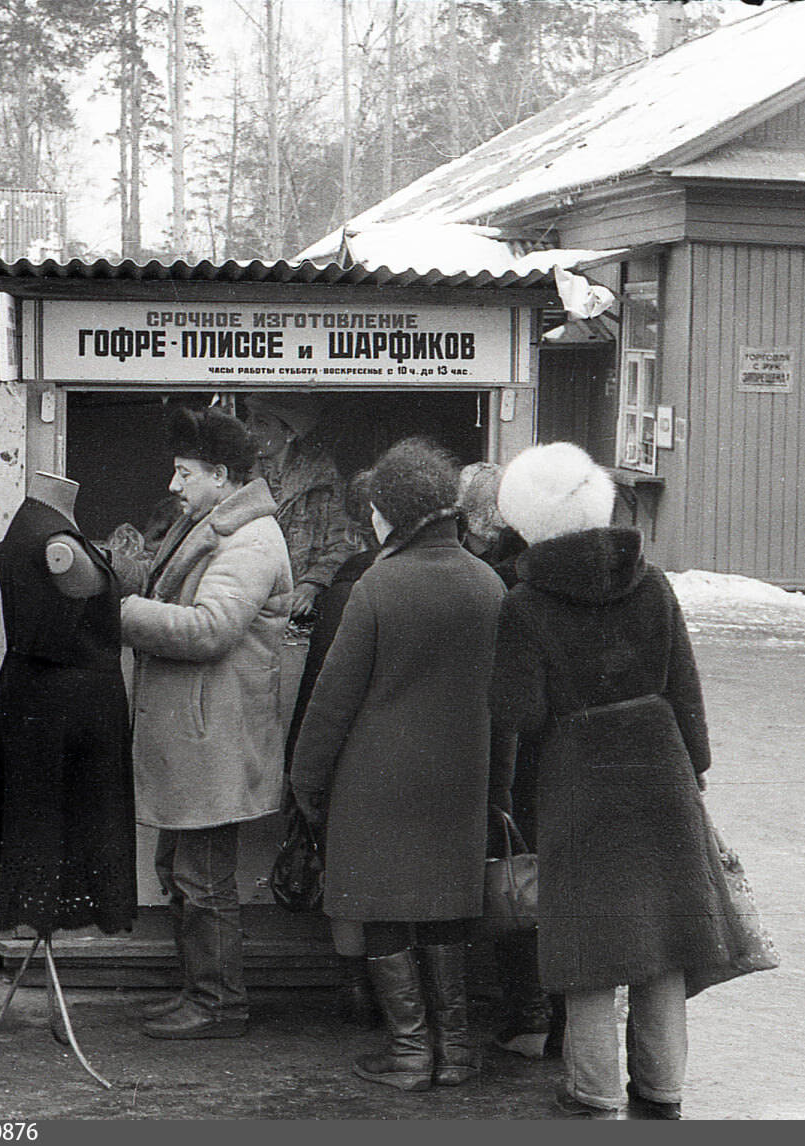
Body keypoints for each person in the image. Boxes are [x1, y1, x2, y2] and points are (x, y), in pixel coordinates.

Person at [489, 442, 761, 1120]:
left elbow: (516, 713)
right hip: (660, 765)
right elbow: (685, 686)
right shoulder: (654, 581)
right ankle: (662, 1088)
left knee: (588, 938)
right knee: (666, 935)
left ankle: (592, 1088)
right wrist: (692, 771)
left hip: (578, 776)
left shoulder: (524, 604)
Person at [290, 437, 510, 1092]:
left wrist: (307, 783)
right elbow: (507, 706)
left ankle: (411, 1054)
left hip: (376, 784)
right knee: (446, 910)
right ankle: (458, 1052)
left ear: (394, 512)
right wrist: (495, 789)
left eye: (377, 511)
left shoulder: (379, 586)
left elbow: (332, 702)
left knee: (384, 909)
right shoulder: (489, 584)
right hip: (461, 780)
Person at [119, 406, 294, 1039]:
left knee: (204, 877)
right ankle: (199, 992)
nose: (174, 485)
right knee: (183, 871)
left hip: (213, 737)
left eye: (183, 472)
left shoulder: (249, 540)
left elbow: (210, 628)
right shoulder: (214, 523)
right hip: (200, 735)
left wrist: (124, 611)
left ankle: (220, 1004)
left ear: (220, 475)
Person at [0, 471, 138, 944]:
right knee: (53, 831)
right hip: (63, 712)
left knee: (46, 830)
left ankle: (39, 920)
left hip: (44, 700)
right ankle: (39, 920)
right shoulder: (54, 543)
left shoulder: (40, 527)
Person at [281, 468, 381, 1029]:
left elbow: (322, 692)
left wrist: (301, 776)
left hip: (351, 764)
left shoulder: (348, 591)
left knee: (347, 880)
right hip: (416, 768)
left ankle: (357, 990)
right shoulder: (469, 578)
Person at [457, 460, 551, 1059]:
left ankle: (529, 1015)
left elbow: (504, 703)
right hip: (561, 758)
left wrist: (497, 788)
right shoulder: (538, 570)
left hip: (520, 762)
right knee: (552, 889)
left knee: (518, 881)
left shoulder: (501, 584)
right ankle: (559, 1017)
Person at [244, 394, 362, 621]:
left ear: (290, 433)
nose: (248, 429)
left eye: (261, 423)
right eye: (249, 419)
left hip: (301, 609)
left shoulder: (324, 480)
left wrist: (312, 584)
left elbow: (344, 543)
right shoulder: (239, 477)